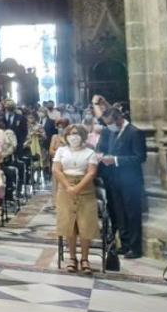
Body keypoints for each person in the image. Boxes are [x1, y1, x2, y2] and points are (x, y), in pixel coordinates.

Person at [98, 107, 145, 259]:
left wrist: (116, 160)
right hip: (114, 179)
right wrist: (103, 156)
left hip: (131, 181)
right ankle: (124, 245)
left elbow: (140, 157)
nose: (109, 126)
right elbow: (109, 150)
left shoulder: (134, 132)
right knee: (119, 213)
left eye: (110, 123)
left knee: (132, 214)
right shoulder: (111, 132)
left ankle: (135, 247)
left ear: (118, 119)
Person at [53, 124, 100, 273]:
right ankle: (72, 258)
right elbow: (56, 169)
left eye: (77, 134)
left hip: (85, 189)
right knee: (69, 225)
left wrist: (77, 188)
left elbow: (91, 172)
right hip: (65, 188)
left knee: (85, 224)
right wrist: (68, 187)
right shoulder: (61, 151)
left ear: (82, 136)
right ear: (66, 136)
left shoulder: (90, 152)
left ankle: (85, 258)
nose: (74, 136)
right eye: (71, 134)